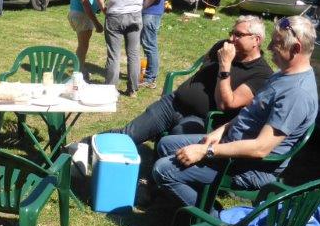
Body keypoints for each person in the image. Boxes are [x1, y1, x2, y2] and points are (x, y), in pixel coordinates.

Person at [152, 16, 319, 210]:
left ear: (296, 48)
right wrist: (221, 130)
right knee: (165, 145)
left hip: (248, 167)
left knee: (162, 169)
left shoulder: (297, 93)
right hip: (232, 146)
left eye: (276, 43)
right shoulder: (283, 75)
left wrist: (206, 151)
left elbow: (260, 148)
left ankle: (215, 219)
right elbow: (252, 112)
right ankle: (191, 198)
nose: (269, 47)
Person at [105, 16, 273, 145]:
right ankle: (92, 143)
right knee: (128, 134)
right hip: (174, 102)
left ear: (256, 40)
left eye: (238, 35)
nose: (231, 39)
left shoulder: (262, 74)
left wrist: (225, 66)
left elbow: (226, 104)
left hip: (202, 120)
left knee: (170, 144)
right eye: (232, 33)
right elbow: (204, 64)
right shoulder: (223, 46)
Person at [94, 0, 158, 97]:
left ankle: (110, 91)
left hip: (114, 14)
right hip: (135, 15)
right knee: (134, 54)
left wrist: (103, 8)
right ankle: (132, 90)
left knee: (114, 55)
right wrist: (143, 6)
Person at [68, 0, 103, 80]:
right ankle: (79, 72)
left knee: (82, 45)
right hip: (82, 15)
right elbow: (85, 2)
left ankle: (80, 69)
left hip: (76, 13)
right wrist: (96, 22)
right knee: (83, 46)